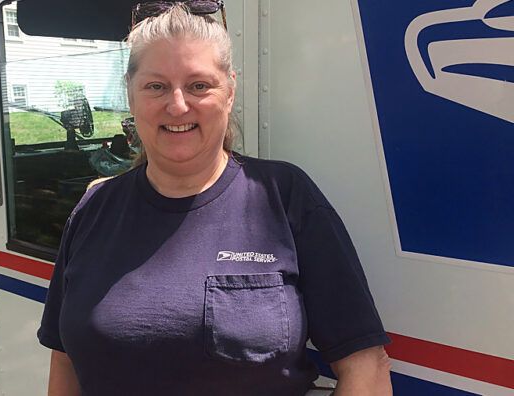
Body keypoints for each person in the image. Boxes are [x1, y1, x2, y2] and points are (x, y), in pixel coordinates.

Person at [38, 3, 392, 395]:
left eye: (198, 85)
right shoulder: (94, 210)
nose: (177, 105)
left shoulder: (284, 197)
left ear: (230, 91)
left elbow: (367, 368)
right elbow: (64, 361)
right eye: (156, 86)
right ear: (131, 95)